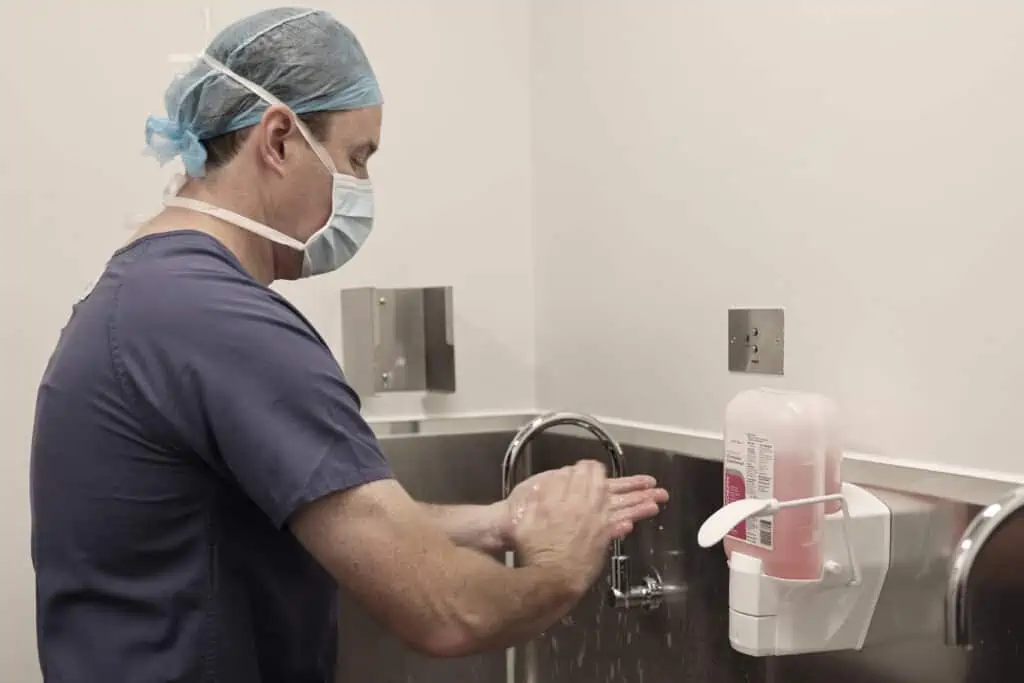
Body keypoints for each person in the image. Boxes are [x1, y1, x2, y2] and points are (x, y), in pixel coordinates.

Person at [29, 7, 669, 683]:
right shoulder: (223, 322)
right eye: (356, 157)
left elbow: (294, 513)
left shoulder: (150, 294)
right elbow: (449, 611)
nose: (362, 188)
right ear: (278, 139)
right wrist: (562, 567)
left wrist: (493, 521)